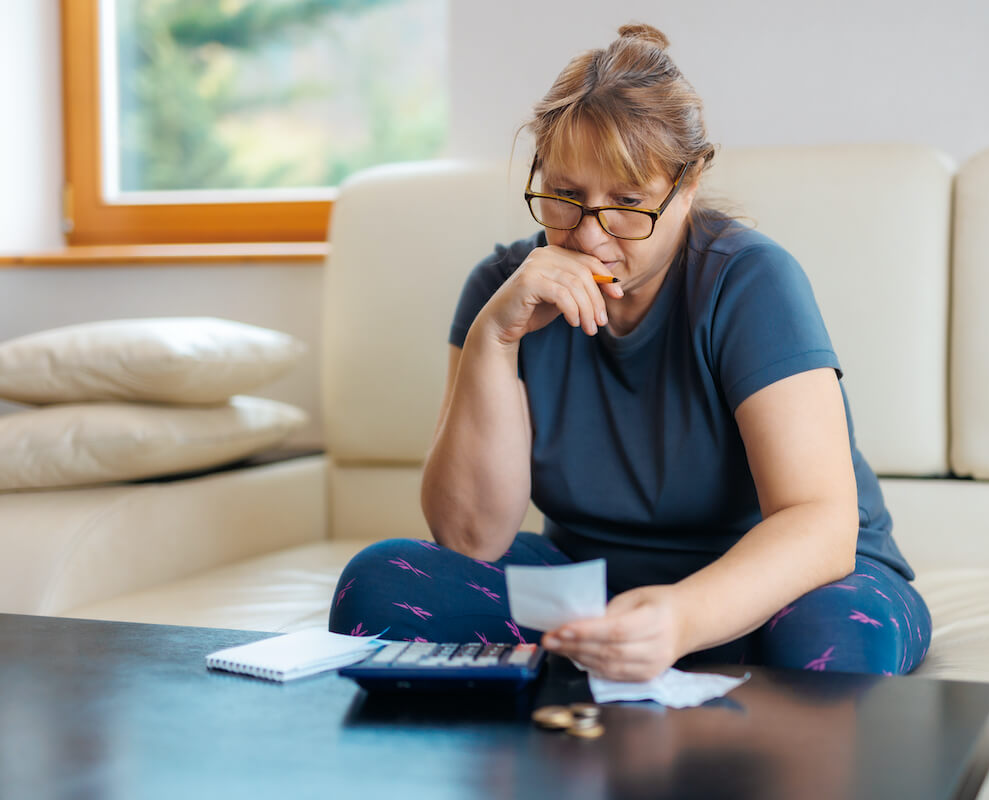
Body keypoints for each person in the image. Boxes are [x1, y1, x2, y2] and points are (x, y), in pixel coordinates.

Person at [329, 22, 931, 681]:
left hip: (785, 587)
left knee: (835, 638)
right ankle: (623, 677)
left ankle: (652, 666)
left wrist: (683, 618)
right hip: (597, 589)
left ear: (689, 184)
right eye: (564, 195)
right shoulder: (501, 291)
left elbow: (820, 524)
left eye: (627, 202)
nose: (590, 236)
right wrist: (492, 341)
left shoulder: (750, 281)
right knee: (382, 585)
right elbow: (472, 540)